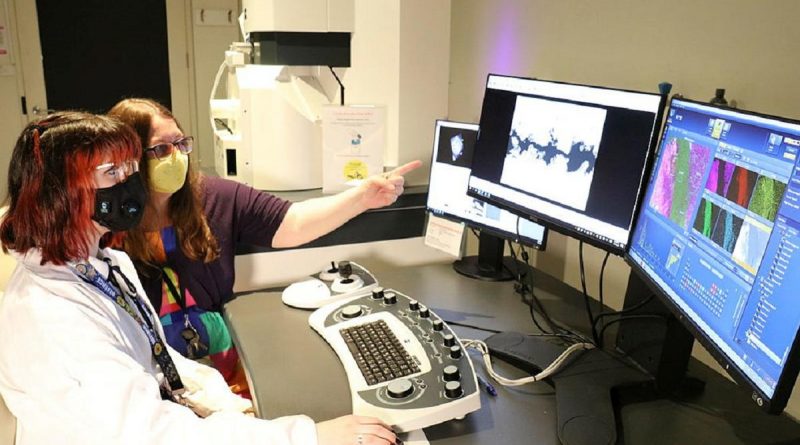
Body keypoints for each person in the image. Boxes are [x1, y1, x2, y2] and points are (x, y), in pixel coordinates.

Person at [0, 112, 397, 444]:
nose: (130, 181)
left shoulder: (102, 264)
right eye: (113, 171)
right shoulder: (52, 316)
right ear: (61, 194)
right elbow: (151, 434)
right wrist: (307, 437)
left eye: (130, 167)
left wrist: (221, 402)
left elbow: (153, 358)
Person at [108, 98, 421, 396]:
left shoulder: (215, 197)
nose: (175, 156)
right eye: (160, 149)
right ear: (128, 159)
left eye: (180, 144)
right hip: (150, 372)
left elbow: (293, 222)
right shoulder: (107, 220)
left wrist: (363, 196)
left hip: (219, 366)